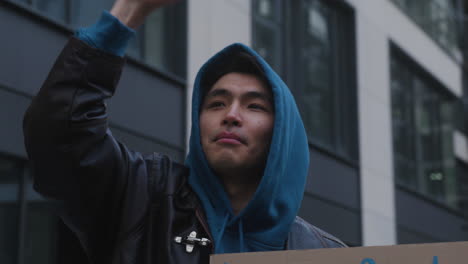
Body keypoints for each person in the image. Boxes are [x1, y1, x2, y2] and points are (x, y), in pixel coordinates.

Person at [23, 0, 346, 263]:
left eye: (254, 106)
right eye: (216, 104)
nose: (231, 115)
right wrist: (128, 11)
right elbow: (60, 135)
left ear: (282, 132)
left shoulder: (324, 253)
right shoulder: (141, 195)